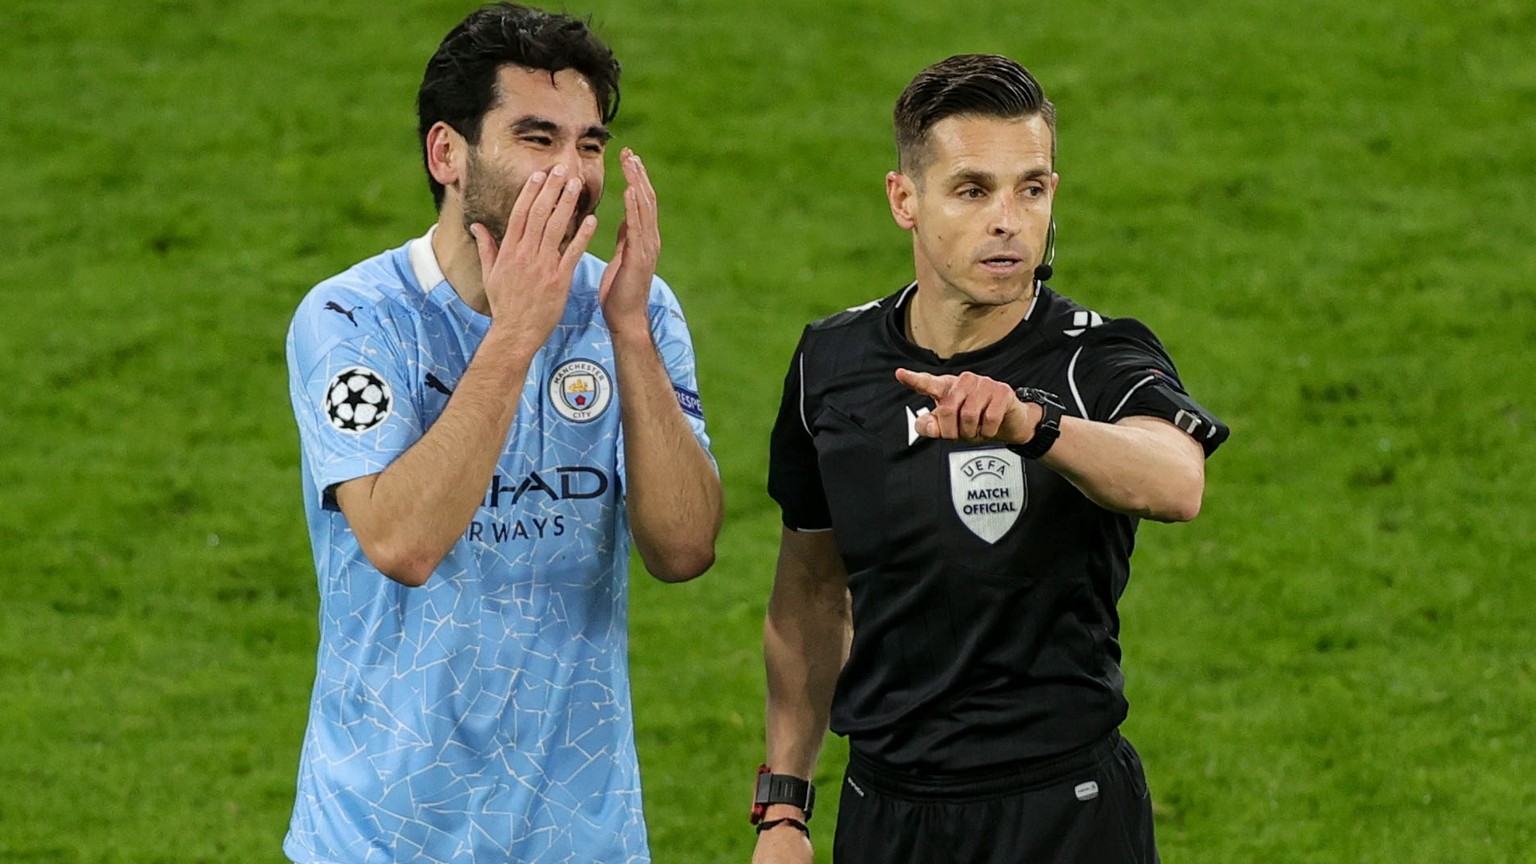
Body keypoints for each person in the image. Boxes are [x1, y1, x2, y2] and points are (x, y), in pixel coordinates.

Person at [751, 54, 1229, 864]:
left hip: (1065, 815)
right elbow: (808, 593)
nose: (1008, 219)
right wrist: (784, 810)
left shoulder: (1096, 357)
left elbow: (1177, 480)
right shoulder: (830, 365)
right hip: (885, 817)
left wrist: (1032, 425)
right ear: (905, 199)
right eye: (973, 190)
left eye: (1031, 188)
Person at [282, 4, 722, 862]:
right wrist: (516, 332)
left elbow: (685, 549)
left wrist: (630, 334)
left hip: (582, 839)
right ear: (448, 153)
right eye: (536, 139)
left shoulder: (634, 308)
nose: (573, 172)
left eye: (589, 145)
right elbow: (403, 541)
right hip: (381, 838)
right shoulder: (351, 319)